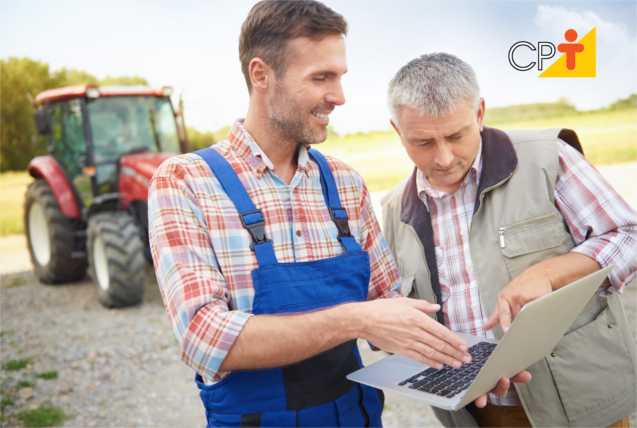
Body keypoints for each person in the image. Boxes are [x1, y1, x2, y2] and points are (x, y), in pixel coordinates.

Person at [147, 3, 520, 427]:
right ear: (261, 74)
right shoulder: (186, 182)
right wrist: (354, 319)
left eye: (340, 77)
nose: (339, 97)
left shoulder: (343, 182)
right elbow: (205, 339)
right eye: (321, 78)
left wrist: (468, 363)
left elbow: (387, 308)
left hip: (355, 417)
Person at [381, 52, 637, 428]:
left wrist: (551, 272)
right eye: (423, 142)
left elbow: (628, 234)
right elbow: (392, 309)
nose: (444, 157)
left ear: (480, 113)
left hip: (578, 404)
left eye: (456, 135)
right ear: (397, 131)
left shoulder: (547, 158)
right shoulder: (391, 209)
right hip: (475, 412)